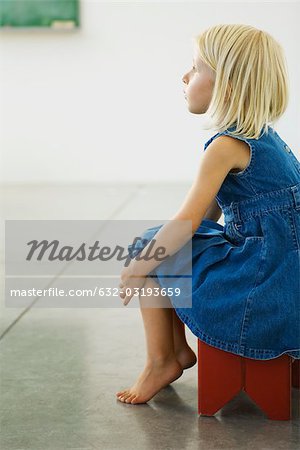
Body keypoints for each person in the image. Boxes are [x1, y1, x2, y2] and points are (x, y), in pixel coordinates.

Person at [116, 24, 300, 405]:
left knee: (147, 251)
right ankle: (175, 352)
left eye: (196, 68)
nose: (185, 76)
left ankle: (162, 359)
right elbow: (206, 219)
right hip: (284, 273)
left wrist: (137, 266)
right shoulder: (266, 138)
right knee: (160, 244)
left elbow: (186, 222)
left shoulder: (225, 147)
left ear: (227, 86)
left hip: (263, 286)